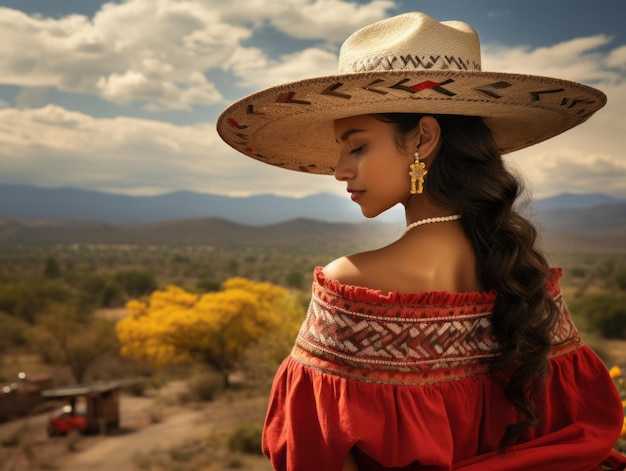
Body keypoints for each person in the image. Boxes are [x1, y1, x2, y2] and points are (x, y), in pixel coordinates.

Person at [217, 11, 626, 471]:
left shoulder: (351, 289)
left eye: (357, 145)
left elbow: (305, 455)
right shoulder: (524, 277)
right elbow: (580, 426)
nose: (339, 170)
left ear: (423, 138)